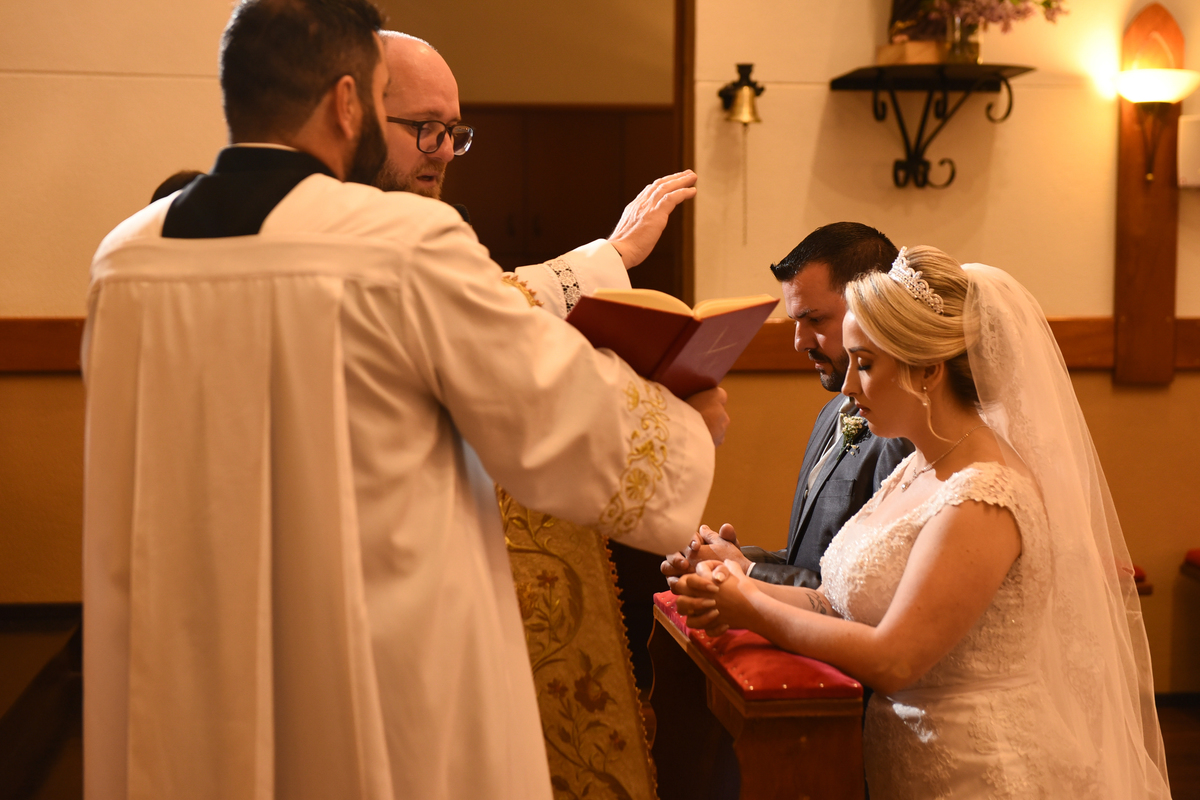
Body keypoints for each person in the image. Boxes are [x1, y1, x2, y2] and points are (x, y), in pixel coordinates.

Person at [82, 2, 727, 799]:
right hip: (356, 661)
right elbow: (551, 413)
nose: (442, 150)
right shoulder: (399, 242)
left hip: (186, 658)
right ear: (347, 101)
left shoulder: (126, 256)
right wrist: (683, 425)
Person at [672, 246, 1172, 798]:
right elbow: (836, 604)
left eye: (866, 364)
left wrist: (752, 608)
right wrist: (731, 582)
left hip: (978, 769)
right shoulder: (916, 467)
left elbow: (896, 659)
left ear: (928, 370)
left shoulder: (984, 494)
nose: (848, 387)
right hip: (909, 762)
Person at [375, 30, 695, 319]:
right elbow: (476, 313)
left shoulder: (426, 230)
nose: (446, 152)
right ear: (359, 120)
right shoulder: (353, 239)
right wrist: (615, 252)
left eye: (450, 129)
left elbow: (478, 305)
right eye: (424, 126)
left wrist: (615, 252)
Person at [662, 223, 912, 590]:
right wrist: (727, 560)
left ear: (873, 307)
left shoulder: (903, 434)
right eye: (796, 321)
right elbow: (810, 561)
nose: (799, 342)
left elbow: (875, 593)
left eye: (815, 319)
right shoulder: (832, 412)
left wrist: (748, 572)